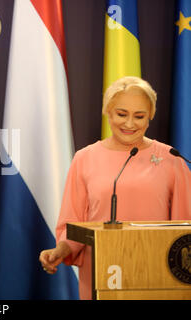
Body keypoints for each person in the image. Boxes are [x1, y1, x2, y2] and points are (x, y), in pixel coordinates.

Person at [39, 76, 191, 300]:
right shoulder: (84, 158)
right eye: (121, 114)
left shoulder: (171, 159)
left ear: (150, 118)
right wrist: (60, 251)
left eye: (139, 116)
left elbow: (185, 227)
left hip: (158, 277)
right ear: (108, 112)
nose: (130, 124)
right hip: (101, 274)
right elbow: (73, 224)